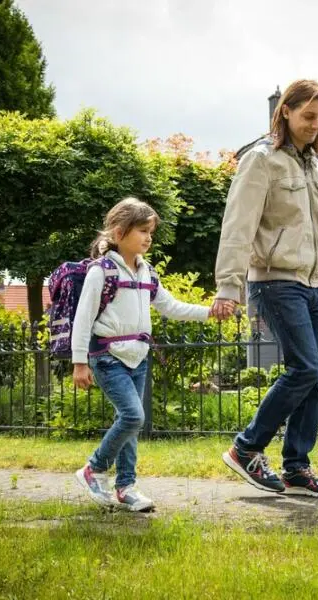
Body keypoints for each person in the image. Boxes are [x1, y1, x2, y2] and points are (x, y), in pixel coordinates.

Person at [211, 79, 318, 497]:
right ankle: (247, 448)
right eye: (308, 116)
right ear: (285, 112)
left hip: (312, 286)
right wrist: (227, 287)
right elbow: (238, 225)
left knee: (316, 376)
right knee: (305, 368)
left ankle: (296, 469)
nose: (316, 124)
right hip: (273, 281)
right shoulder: (261, 161)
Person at [72, 197, 229, 511]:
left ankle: (126, 487)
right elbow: (83, 317)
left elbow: (171, 307)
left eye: (150, 232)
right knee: (133, 416)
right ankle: (94, 468)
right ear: (119, 233)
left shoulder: (146, 273)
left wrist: (209, 313)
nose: (148, 237)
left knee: (128, 422)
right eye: (142, 231)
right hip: (108, 355)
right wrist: (79, 363)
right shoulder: (101, 272)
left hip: (138, 357)